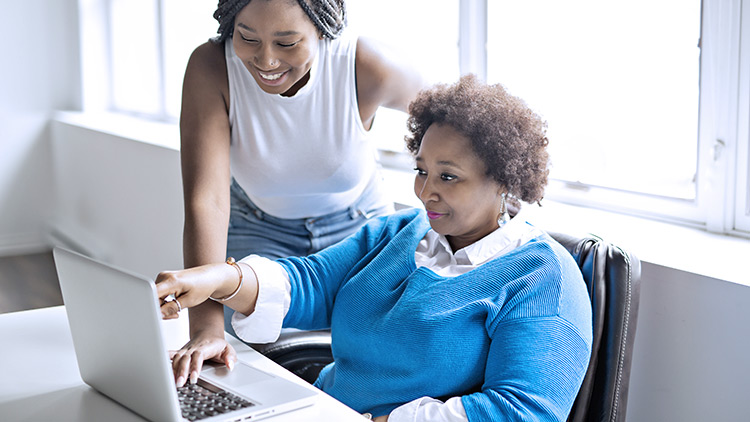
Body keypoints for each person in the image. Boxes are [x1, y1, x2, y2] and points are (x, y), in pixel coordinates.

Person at [157, 75, 594, 421]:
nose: (426, 192)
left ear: (503, 180)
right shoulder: (400, 231)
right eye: (421, 170)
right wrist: (215, 278)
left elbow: (521, 411)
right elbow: (311, 282)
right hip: (323, 410)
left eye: (448, 176)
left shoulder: (543, 280)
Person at [178, 0, 423, 377]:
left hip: (358, 225)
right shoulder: (211, 68)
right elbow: (207, 201)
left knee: (375, 356)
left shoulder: (366, 65)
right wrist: (205, 330)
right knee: (250, 363)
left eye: (287, 43)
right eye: (247, 37)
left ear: (324, 30)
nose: (266, 61)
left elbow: (456, 117)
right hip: (259, 224)